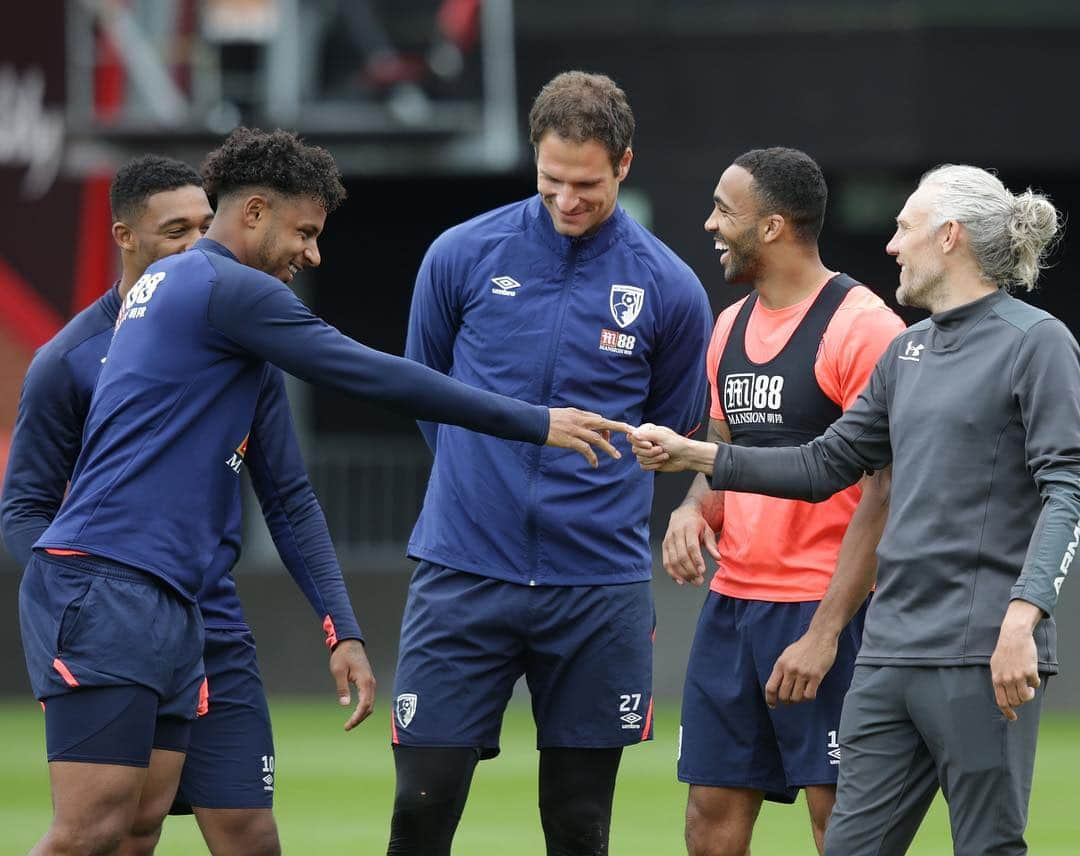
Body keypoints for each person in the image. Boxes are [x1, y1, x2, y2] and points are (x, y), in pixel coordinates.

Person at [16, 127, 627, 856]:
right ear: (253, 213)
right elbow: (372, 372)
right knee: (91, 831)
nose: (313, 253)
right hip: (111, 583)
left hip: (173, 597)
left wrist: (340, 625)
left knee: (142, 825)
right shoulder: (222, 287)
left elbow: (288, 493)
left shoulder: (178, 289)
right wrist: (536, 421)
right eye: (305, 231)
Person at [630, 164, 1078, 855]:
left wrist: (1024, 616)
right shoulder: (907, 351)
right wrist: (699, 460)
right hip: (888, 654)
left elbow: (1066, 489)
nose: (892, 245)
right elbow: (823, 465)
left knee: (988, 845)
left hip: (980, 651)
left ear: (950, 236)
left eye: (904, 228)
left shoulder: (1036, 341)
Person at [1, 153, 371, 855]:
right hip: (114, 604)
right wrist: (82, 592)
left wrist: (341, 626)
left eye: (205, 225)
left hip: (210, 620)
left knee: (246, 833)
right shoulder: (67, 359)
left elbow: (288, 496)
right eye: (176, 230)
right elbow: (24, 510)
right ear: (125, 237)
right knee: (111, 832)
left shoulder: (242, 331)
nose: (197, 244)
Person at [391, 70, 713, 856]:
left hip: (595, 586)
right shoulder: (461, 254)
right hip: (462, 572)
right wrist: (480, 483)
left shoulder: (669, 286)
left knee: (579, 825)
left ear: (625, 165)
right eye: (551, 183)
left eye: (588, 186)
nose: (568, 201)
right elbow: (424, 392)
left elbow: (672, 431)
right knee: (421, 808)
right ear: (534, 161)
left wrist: (582, 500)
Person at [664, 147, 904, 856]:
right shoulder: (727, 326)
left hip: (829, 608)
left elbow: (886, 492)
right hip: (734, 607)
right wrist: (689, 510)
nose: (709, 224)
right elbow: (718, 458)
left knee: (843, 820)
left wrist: (828, 632)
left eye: (723, 210)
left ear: (772, 227)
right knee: (710, 811)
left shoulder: (864, 328)